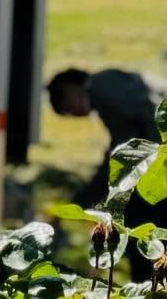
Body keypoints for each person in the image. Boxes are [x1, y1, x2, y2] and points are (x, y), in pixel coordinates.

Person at [48, 66, 163, 210]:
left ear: (71, 87)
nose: (73, 113)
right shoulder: (104, 90)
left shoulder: (101, 87)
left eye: (66, 106)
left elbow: (148, 113)